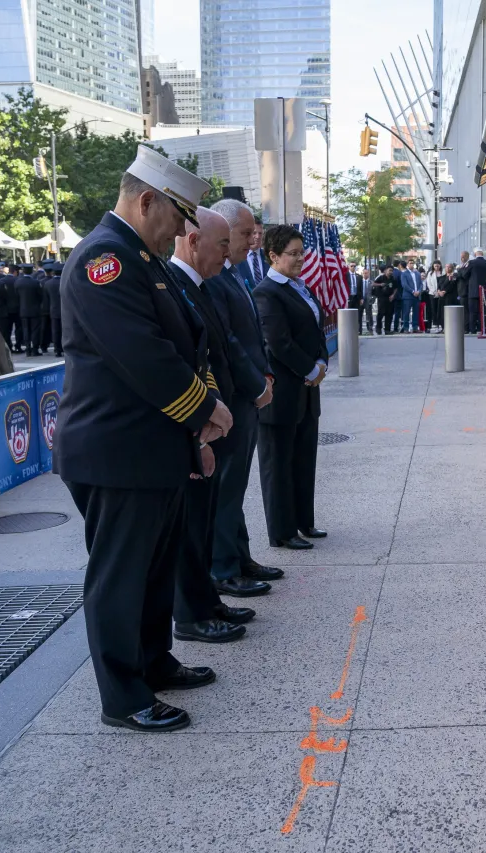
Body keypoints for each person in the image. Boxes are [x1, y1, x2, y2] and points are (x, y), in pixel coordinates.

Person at [54, 145, 229, 733]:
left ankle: (153, 661)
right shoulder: (104, 260)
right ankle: (123, 694)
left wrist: (195, 425)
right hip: (117, 451)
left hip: (151, 447)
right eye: (177, 215)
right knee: (120, 576)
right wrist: (206, 410)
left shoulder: (142, 259)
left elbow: (189, 342)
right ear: (146, 199)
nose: (183, 229)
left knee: (155, 569)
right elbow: (145, 358)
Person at [166, 208, 262, 644]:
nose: (228, 253)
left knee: (203, 519)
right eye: (222, 243)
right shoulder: (175, 283)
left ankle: (206, 603)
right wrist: (207, 409)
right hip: (193, 422)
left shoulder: (198, 284)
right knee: (191, 526)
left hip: (212, 413)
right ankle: (192, 613)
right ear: (192, 242)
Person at [205, 198, 282, 595]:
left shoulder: (233, 273)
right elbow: (227, 341)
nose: (254, 240)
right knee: (227, 487)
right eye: (245, 233)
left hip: (248, 394)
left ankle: (240, 557)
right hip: (234, 396)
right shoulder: (216, 276)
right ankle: (223, 568)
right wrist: (256, 385)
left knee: (236, 487)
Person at [253, 224, 329, 550]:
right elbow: (278, 344)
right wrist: (310, 368)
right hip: (282, 392)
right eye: (293, 254)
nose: (300, 259)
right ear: (273, 255)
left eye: (302, 252)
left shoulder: (301, 287)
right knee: (279, 465)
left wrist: (322, 362)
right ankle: (282, 532)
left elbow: (316, 327)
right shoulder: (266, 292)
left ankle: (303, 522)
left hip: (308, 390)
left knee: (303, 460)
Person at [15, 262, 45, 356]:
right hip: (35, 310)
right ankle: (35, 349)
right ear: (31, 271)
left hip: (23, 310)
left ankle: (28, 349)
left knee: (25, 329)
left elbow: (17, 296)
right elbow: (41, 296)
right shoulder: (35, 282)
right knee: (35, 330)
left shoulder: (18, 282)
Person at [0, 263, 22, 352]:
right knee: (19, 329)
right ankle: (18, 346)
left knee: (7, 330)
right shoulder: (19, 280)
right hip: (18, 308)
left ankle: (8, 346)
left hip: (6, 309)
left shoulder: (1, 281)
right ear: (15, 272)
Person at [42, 261, 64, 355]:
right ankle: (64, 347)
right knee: (65, 330)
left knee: (55, 331)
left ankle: (57, 349)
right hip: (65, 310)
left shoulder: (48, 283)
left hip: (53, 310)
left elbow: (46, 299)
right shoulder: (65, 282)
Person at [467, 249, 486, 333]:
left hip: (473, 291)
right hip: (484, 291)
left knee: (473, 312)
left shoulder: (472, 262)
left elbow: (465, 274)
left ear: (475, 253)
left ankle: (472, 329)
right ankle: (481, 328)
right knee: (482, 312)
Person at [397, 259, 419, 333]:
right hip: (408, 296)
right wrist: (413, 291)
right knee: (406, 312)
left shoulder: (417, 273)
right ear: (407, 265)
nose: (412, 264)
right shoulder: (404, 274)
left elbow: (421, 284)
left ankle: (415, 327)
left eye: (413, 263)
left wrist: (419, 291)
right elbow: (404, 285)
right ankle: (406, 327)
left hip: (417, 296)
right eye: (410, 263)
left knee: (416, 312)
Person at [372, 264, 393, 336]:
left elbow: (396, 287)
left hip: (389, 299)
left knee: (389, 314)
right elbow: (373, 284)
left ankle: (387, 329)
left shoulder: (392, 278)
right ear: (385, 271)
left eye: (391, 271)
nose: (390, 272)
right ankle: (378, 328)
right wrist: (380, 284)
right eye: (389, 270)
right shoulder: (381, 277)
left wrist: (393, 295)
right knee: (380, 314)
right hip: (381, 298)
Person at [346, 262, 366, 334]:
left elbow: (361, 289)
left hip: (357, 298)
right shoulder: (346, 275)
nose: (353, 267)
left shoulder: (359, 277)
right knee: (348, 314)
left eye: (354, 266)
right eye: (352, 266)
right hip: (349, 297)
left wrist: (361, 298)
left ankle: (359, 330)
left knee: (358, 315)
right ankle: (349, 330)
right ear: (349, 267)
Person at [425, 261, 442, 332]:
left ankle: (440, 324)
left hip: (441, 293)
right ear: (433, 266)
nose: (437, 267)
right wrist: (434, 291)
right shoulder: (430, 273)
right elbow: (429, 284)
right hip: (432, 293)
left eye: (438, 266)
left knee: (440, 309)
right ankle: (435, 324)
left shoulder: (442, 273)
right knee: (433, 309)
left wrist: (439, 291)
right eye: (435, 266)